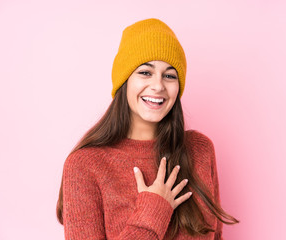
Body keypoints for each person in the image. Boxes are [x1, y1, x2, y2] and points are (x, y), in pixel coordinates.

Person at [56, 18, 239, 240]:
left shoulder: (200, 150)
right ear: (124, 81)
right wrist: (153, 210)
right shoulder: (85, 165)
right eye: (145, 72)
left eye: (170, 75)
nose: (158, 85)